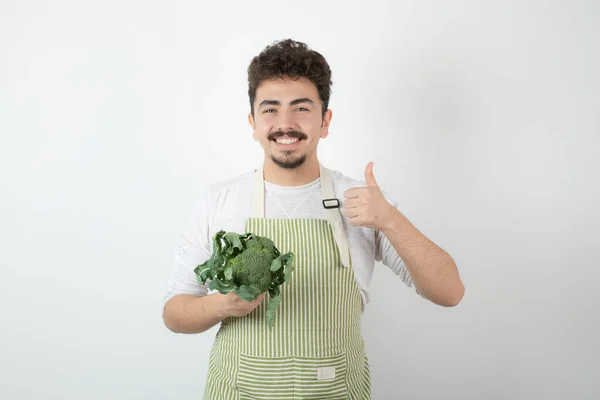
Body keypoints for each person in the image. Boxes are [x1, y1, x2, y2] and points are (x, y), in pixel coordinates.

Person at [163, 38, 464, 399]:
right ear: (253, 122)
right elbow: (174, 313)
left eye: (301, 108)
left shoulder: (364, 202)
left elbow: (450, 293)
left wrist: (391, 221)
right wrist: (219, 304)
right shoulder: (219, 201)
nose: (285, 124)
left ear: (325, 121)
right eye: (270, 109)